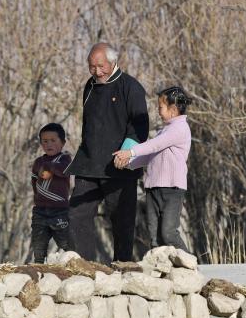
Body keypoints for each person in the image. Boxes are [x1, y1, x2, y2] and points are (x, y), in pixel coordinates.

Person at [66, 42, 149, 262]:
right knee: (76, 214)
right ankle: (82, 266)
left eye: (101, 66)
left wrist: (127, 152)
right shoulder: (89, 86)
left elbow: (140, 125)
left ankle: (122, 266)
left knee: (122, 221)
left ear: (113, 62)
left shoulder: (131, 87)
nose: (97, 71)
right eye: (92, 67)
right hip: (89, 163)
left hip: (119, 164)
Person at [112, 86, 193, 254]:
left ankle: (189, 263)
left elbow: (155, 145)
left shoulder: (180, 128)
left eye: (160, 107)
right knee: (154, 236)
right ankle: (161, 267)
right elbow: (151, 154)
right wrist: (129, 163)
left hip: (172, 189)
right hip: (153, 187)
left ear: (173, 110)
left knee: (168, 233)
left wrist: (130, 152)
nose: (158, 111)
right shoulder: (165, 129)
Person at [29, 123, 73, 263]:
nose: (49, 144)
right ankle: (39, 267)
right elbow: (34, 181)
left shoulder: (65, 159)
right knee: (38, 243)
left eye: (53, 140)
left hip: (60, 211)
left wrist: (48, 166)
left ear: (63, 143)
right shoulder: (38, 162)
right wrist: (37, 198)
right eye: (45, 141)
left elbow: (64, 171)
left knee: (66, 242)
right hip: (40, 211)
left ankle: (75, 264)